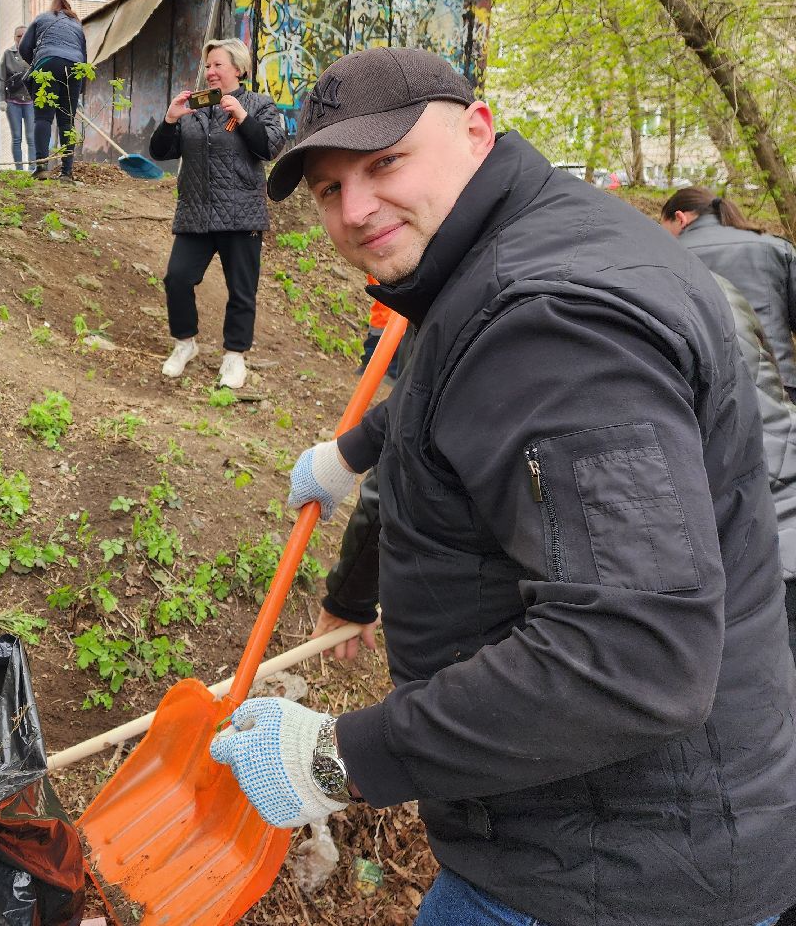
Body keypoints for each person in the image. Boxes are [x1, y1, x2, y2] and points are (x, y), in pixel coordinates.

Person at [207, 47, 796, 925]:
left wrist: (338, 757)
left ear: (476, 131)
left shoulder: (552, 319)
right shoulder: (528, 241)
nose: (357, 208)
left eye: (384, 163)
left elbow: (635, 658)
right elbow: (467, 384)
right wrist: (354, 451)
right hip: (610, 832)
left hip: (607, 870)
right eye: (329, 189)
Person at [149, 37, 286, 389]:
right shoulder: (194, 111)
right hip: (196, 213)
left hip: (241, 214)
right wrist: (169, 119)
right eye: (207, 66)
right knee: (177, 278)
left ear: (238, 69)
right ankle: (185, 344)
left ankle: (234, 358)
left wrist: (241, 117)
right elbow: (160, 151)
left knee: (241, 290)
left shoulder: (259, 105)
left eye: (217, 65)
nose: (209, 71)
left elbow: (269, 146)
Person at [661, 186, 796, 401]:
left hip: (707, 392)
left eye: (663, 227)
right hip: (780, 383)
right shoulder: (777, 248)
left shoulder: (666, 257)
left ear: (680, 218)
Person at [18, 0, 87, 182]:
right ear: (69, 9)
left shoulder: (42, 18)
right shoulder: (77, 25)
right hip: (75, 68)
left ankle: (41, 168)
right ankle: (66, 173)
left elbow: (23, 47)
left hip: (47, 63)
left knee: (43, 118)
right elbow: (84, 59)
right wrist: (79, 89)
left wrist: (35, 62)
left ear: (53, 7)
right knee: (67, 122)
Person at [0, 25, 37, 171]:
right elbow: (2, 78)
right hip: (12, 101)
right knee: (16, 138)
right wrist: (2, 99)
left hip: (30, 101)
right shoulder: (8, 54)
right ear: (14, 37)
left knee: (31, 137)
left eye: (24, 35)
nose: (21, 38)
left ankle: (33, 168)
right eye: (18, 36)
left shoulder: (34, 53)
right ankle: (19, 170)